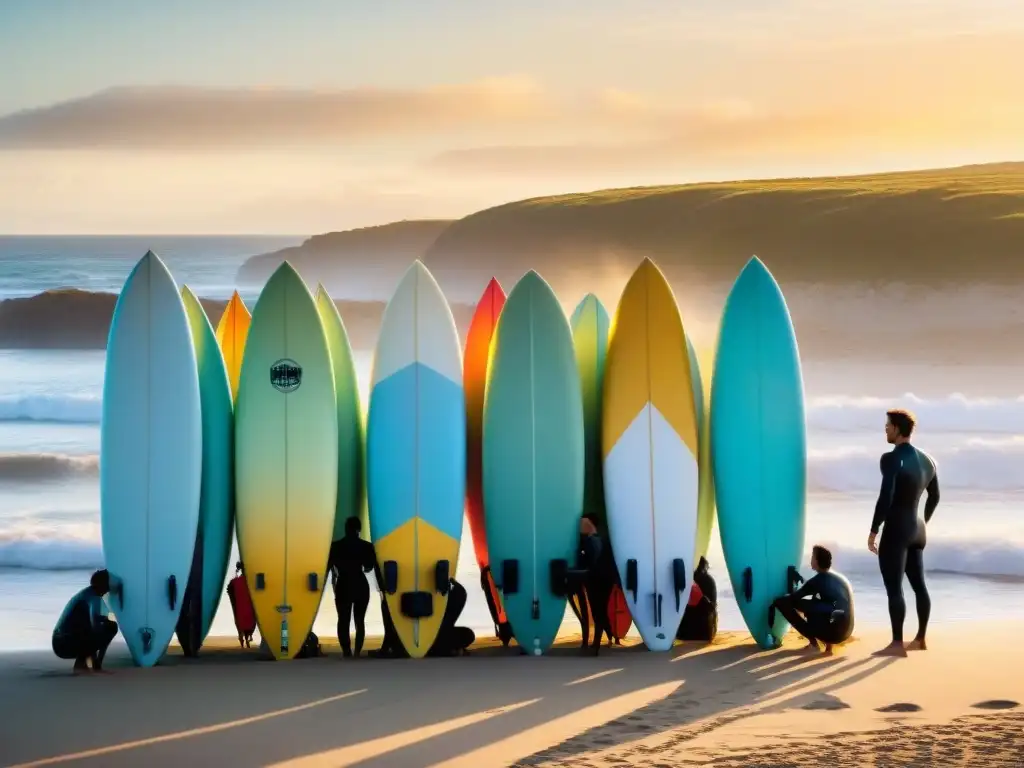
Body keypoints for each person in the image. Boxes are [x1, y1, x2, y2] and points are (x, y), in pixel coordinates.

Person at [869, 408, 940, 658]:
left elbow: (886, 496)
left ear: (898, 429)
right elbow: (935, 497)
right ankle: (920, 639)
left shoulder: (891, 459)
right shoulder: (928, 460)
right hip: (917, 529)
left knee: (894, 588)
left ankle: (897, 644)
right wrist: (923, 522)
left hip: (897, 529)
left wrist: (874, 529)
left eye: (888, 425)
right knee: (919, 586)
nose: (886, 429)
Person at [769, 545, 854, 655]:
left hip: (833, 633)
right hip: (846, 632)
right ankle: (829, 648)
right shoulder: (840, 578)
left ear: (817, 561)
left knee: (782, 602)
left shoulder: (818, 580)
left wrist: (775, 601)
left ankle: (814, 643)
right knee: (822, 604)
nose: (811, 560)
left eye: (812, 557)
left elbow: (793, 598)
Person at [327, 516, 377, 658]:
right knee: (359, 620)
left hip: (343, 584)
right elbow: (369, 567)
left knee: (343, 619)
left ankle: (346, 651)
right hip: (360, 584)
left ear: (346, 528)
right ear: (359, 529)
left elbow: (331, 567)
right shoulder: (366, 546)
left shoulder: (336, 546)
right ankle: (357, 652)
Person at [52, 569, 118, 674]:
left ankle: (89, 665)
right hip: (64, 643)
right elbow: (95, 627)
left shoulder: (86, 593)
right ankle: (83, 667)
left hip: (59, 640)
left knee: (102, 627)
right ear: (103, 585)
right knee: (111, 627)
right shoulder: (93, 598)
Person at [428, 578, 476, 656]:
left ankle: (447, 650)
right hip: (436, 635)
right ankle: (447, 650)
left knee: (468, 634)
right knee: (468, 635)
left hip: (435, 633)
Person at [677, 556, 718, 642]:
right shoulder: (709, 579)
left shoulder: (693, 579)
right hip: (707, 633)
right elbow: (712, 608)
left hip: (691, 634)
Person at [226, 561, 256, 648]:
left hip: (240, 607)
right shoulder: (249, 582)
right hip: (247, 606)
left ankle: (244, 639)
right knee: (248, 621)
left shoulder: (235, 582)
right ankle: (247, 638)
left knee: (241, 622)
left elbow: (229, 590)